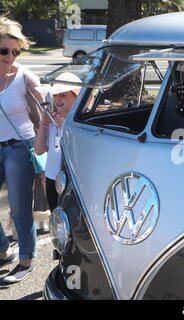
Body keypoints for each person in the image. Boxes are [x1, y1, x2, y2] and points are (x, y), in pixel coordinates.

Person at [0, 16, 44, 284]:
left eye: (16, 51)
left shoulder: (24, 76)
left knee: (19, 208)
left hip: (20, 147)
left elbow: (47, 109)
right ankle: (3, 249)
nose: (11, 56)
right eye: (4, 50)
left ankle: (25, 260)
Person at [34, 73, 81, 211]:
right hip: (52, 177)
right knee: (56, 215)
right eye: (55, 95)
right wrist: (43, 124)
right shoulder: (52, 120)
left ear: (76, 96)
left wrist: (65, 128)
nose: (57, 99)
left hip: (72, 180)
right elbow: (39, 150)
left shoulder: (82, 121)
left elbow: (80, 151)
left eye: (63, 95)